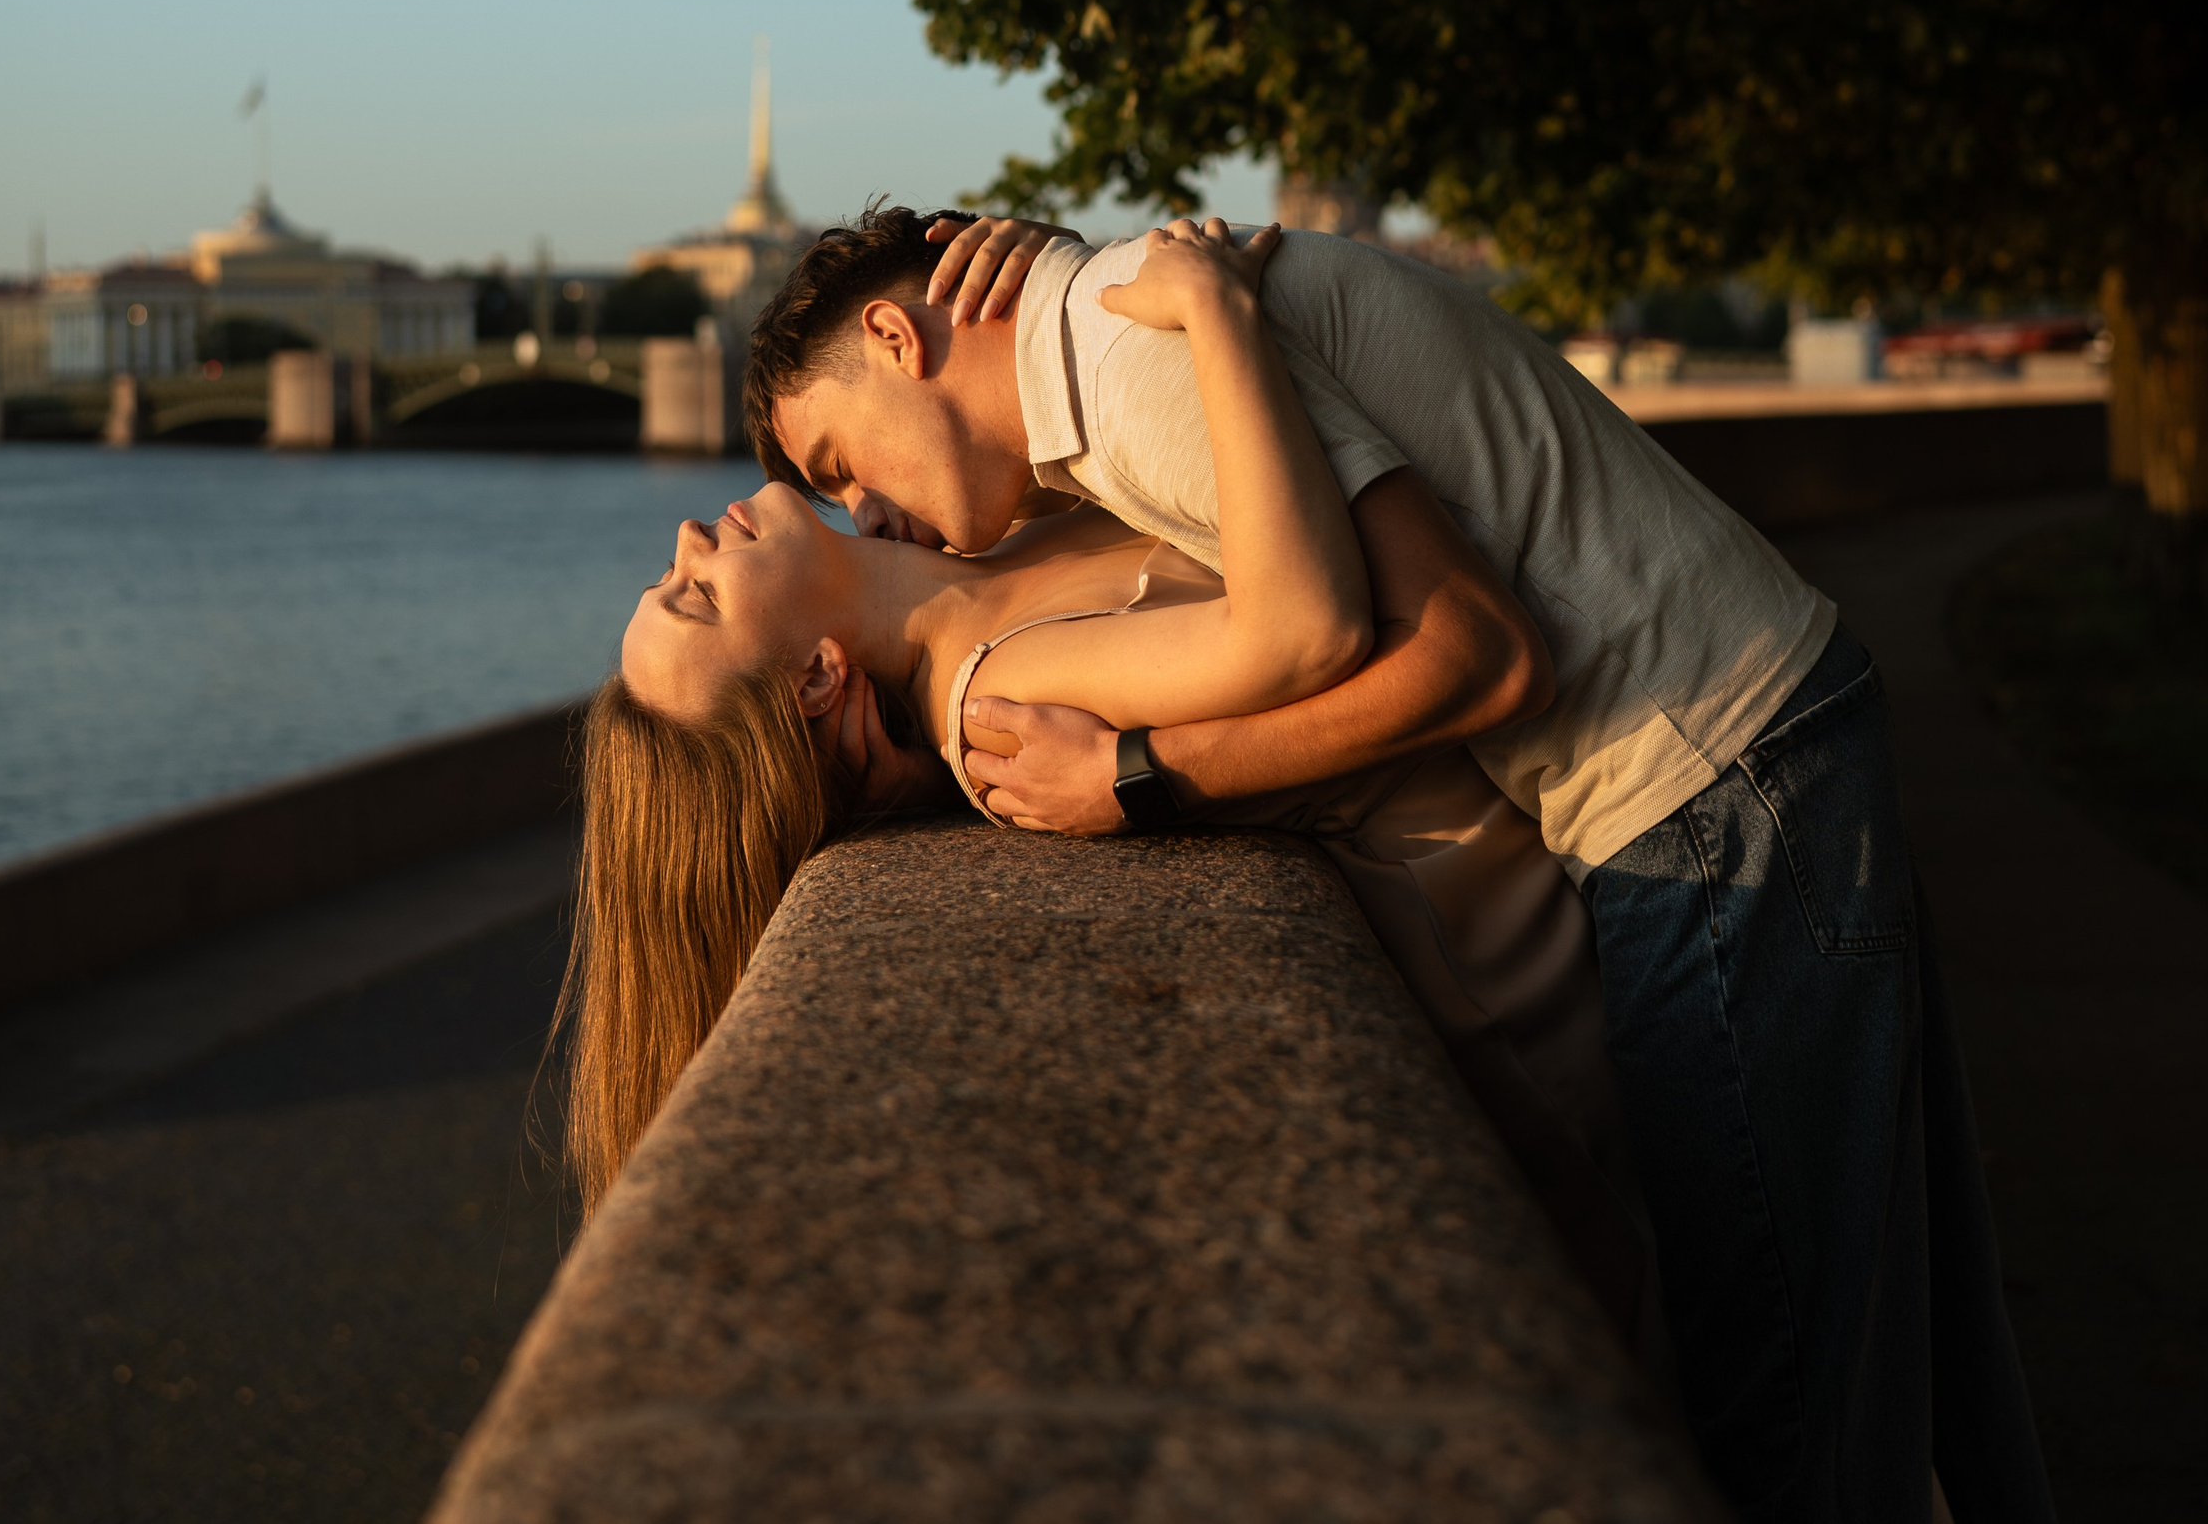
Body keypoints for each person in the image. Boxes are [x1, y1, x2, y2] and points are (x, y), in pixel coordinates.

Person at [753, 207, 2055, 1524]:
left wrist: (1138, 776)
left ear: (895, 335)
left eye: (838, 458)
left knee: (1784, 1403)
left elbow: (1479, 654)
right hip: (1751, 734)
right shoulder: (1123, 331)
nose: (863, 506)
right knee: (1933, 1347)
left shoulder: (1135, 357)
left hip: (1703, 775)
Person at [563, 219, 1664, 1378]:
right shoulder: (997, 693)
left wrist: (1057, 275)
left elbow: (1108, 433)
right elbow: (1305, 627)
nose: (687, 537)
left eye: (669, 575)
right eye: (696, 594)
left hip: (1585, 870)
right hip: (1536, 997)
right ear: (815, 680)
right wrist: (1212, 311)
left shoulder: (976, 567)